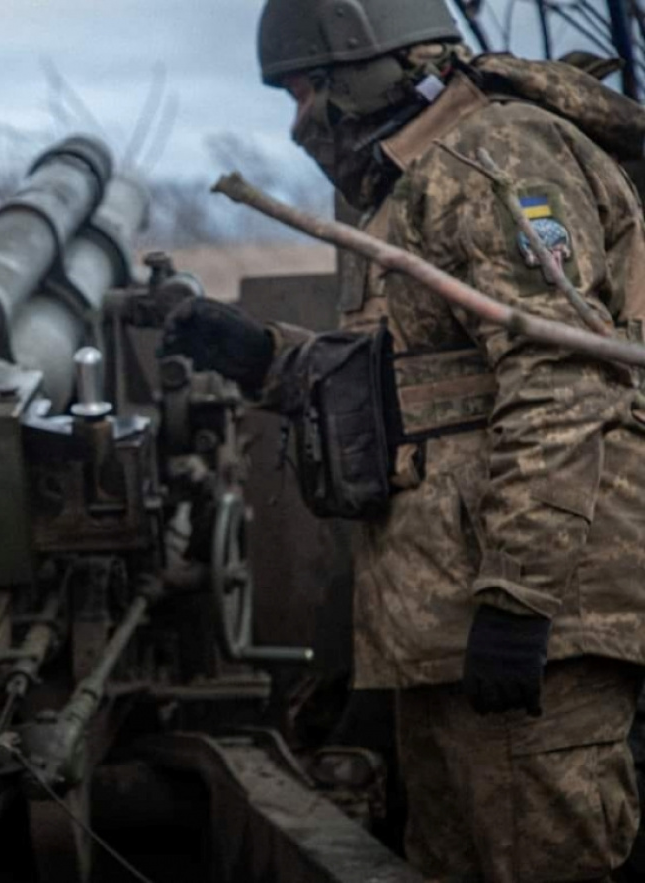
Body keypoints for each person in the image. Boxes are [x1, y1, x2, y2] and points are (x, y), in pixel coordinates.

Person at [164, 2, 645, 880]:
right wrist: (261, 357)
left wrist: (518, 599)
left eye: (302, 91)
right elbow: (418, 391)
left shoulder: (492, 156)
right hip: (445, 625)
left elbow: (564, 379)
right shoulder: (413, 184)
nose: (298, 119)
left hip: (531, 624)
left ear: (357, 73)